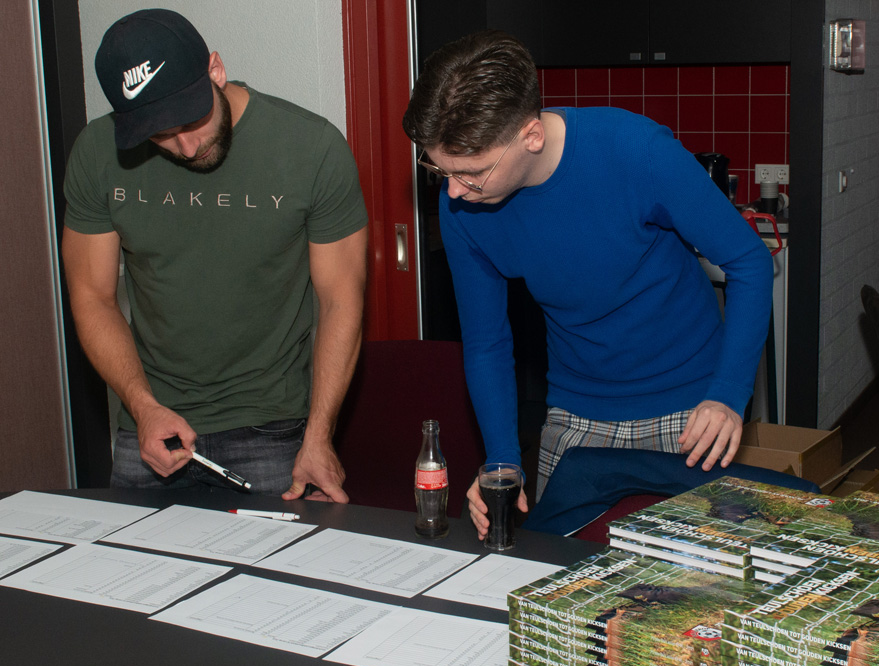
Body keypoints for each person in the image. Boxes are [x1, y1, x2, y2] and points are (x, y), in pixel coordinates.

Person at [402, 30, 774, 537]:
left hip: (689, 406)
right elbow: (487, 341)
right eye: (439, 170)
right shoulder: (463, 206)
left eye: (472, 173)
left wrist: (728, 393)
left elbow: (749, 261)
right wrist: (503, 460)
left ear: (531, 136)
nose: (453, 192)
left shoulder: (636, 151)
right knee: (553, 567)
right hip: (576, 409)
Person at [62, 9, 369, 501]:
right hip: (150, 423)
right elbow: (91, 296)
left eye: (191, 119)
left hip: (270, 426)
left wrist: (319, 435)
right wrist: (142, 407)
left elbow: (340, 300)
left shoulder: (312, 148)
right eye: (158, 133)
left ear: (215, 70)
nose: (186, 147)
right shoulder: (97, 154)